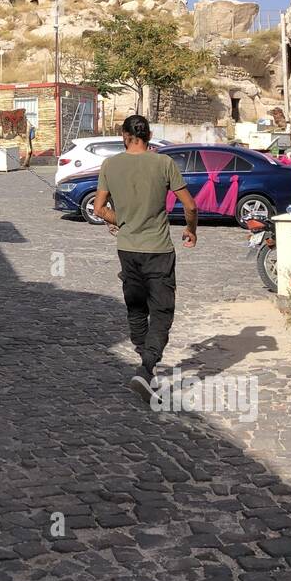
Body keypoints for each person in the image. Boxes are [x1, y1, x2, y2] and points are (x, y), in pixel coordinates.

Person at [93, 114, 198, 406]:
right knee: (162, 311)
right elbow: (190, 205)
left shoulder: (110, 165)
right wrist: (191, 230)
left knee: (136, 308)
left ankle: (144, 363)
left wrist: (120, 220)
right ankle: (146, 368)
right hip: (159, 250)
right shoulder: (163, 163)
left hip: (127, 250)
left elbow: (100, 208)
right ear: (149, 135)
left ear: (125, 135)